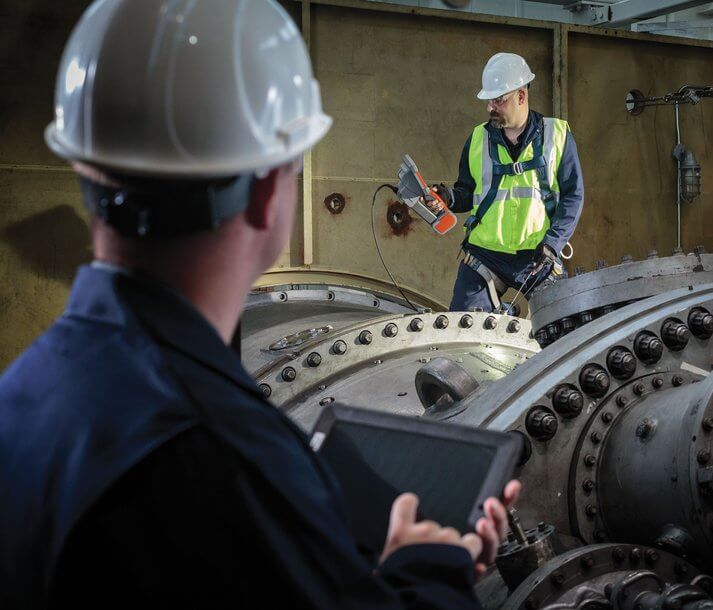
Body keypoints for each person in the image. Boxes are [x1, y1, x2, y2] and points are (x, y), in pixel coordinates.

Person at [0, 1, 519, 608]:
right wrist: (426, 567)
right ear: (269, 191)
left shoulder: (23, 395)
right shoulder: (227, 457)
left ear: (86, 173)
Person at [435, 53, 585, 312]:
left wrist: (553, 243)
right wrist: (447, 197)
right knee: (462, 331)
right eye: (489, 100)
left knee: (562, 331)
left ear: (521, 96)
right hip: (484, 255)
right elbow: (468, 192)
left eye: (498, 100)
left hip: (539, 255)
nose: (489, 108)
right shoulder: (478, 138)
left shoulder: (557, 136)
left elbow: (573, 195)